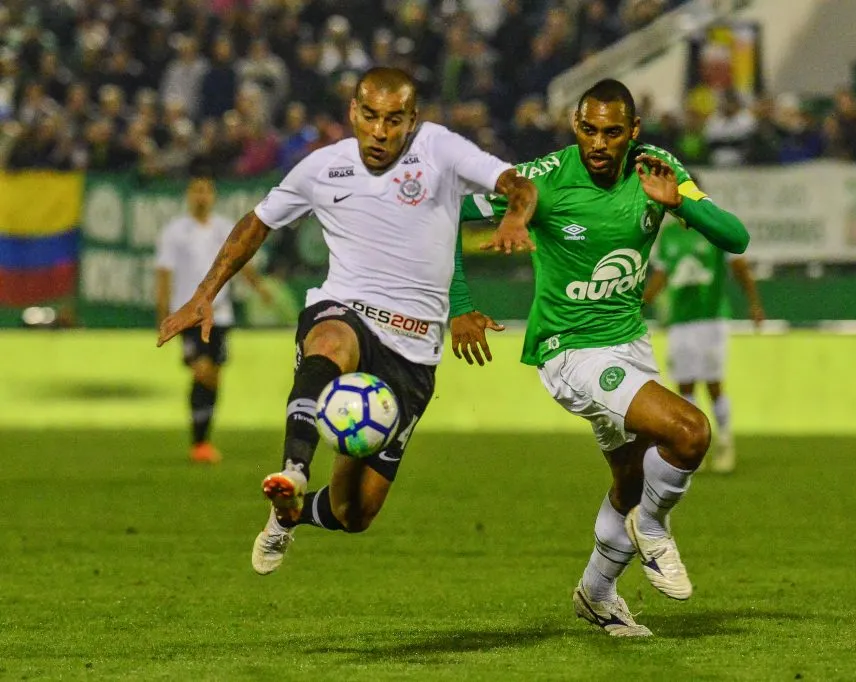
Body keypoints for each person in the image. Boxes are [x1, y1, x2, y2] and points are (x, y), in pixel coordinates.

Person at [156, 67, 535, 573]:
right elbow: (257, 223)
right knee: (330, 342)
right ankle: (293, 469)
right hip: (347, 308)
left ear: (412, 120)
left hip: (413, 351)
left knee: (354, 512)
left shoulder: (441, 150)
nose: (379, 131)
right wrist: (205, 292)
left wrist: (514, 216)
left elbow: (518, 184)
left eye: (393, 120)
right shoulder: (321, 168)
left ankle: (291, 515)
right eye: (370, 116)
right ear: (353, 113)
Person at [458, 79, 749, 637]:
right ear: (575, 125)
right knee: (689, 432)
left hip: (629, 344)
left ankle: (596, 595)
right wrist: (461, 306)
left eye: (612, 132)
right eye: (588, 129)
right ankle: (656, 530)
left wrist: (680, 203)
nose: (598, 142)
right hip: (568, 351)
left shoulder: (655, 166)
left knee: (631, 482)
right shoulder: (542, 179)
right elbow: (450, 213)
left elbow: (735, 238)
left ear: (633, 132)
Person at [154, 166, 271, 463]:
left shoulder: (223, 228)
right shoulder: (174, 232)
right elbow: (164, 275)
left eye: (206, 190)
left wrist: (259, 288)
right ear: (188, 196)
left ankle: (203, 440)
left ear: (213, 196)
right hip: (189, 315)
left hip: (222, 315)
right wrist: (164, 313)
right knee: (202, 370)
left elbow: (241, 260)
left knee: (214, 376)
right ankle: (199, 442)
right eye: (196, 190)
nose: (201, 196)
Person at [643, 217, 764, 473]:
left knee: (713, 384)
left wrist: (754, 302)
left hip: (711, 318)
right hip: (680, 320)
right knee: (684, 386)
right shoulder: (669, 235)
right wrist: (639, 304)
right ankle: (693, 446)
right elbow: (662, 275)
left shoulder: (713, 228)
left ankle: (724, 442)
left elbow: (739, 266)